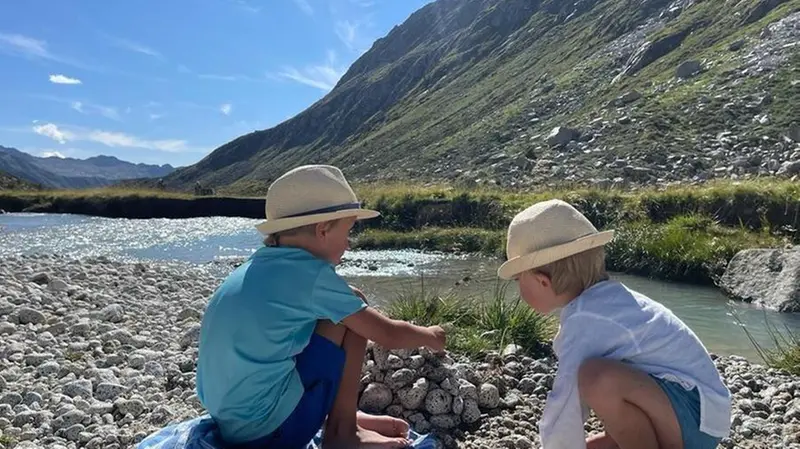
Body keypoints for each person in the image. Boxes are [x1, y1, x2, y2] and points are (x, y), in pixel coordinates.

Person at [196, 165, 446, 449]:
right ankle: (343, 431)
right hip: (269, 434)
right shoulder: (311, 275)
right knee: (351, 308)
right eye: (347, 232)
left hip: (232, 424)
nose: (348, 245)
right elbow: (386, 334)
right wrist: (430, 335)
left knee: (338, 307)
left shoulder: (255, 267)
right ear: (323, 230)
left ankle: (339, 417)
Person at [497, 199, 731, 449]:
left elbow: (566, 405)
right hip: (700, 417)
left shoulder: (586, 320)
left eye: (518, 280)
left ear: (543, 281)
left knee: (595, 378)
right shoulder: (608, 301)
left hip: (693, 417)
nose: (518, 289)